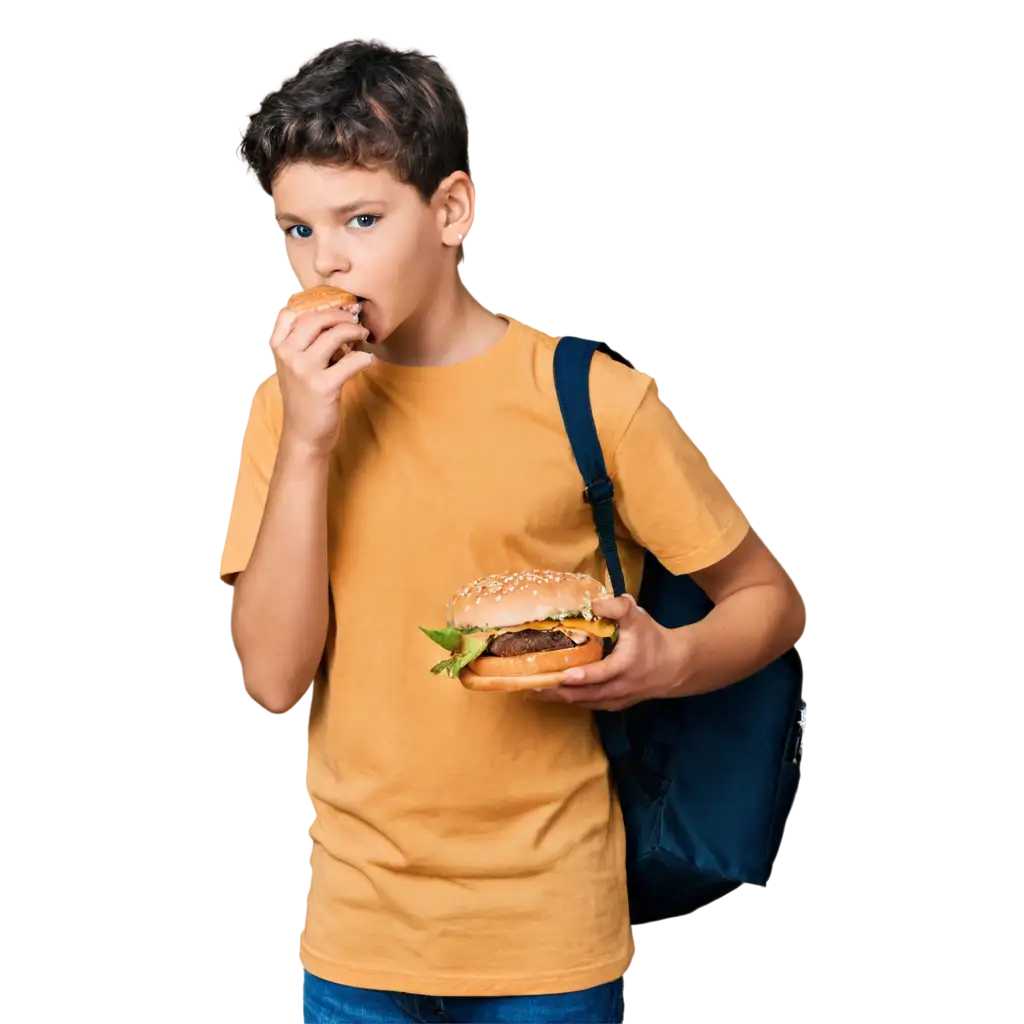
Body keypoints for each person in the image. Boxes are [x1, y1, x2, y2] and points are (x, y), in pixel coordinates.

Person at [219, 39, 798, 1024]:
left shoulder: (593, 401)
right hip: (357, 938)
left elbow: (767, 598)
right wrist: (310, 440)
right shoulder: (289, 409)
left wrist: (669, 658)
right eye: (298, 228)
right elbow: (274, 680)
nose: (326, 261)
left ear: (450, 211)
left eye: (361, 218)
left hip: (551, 940)